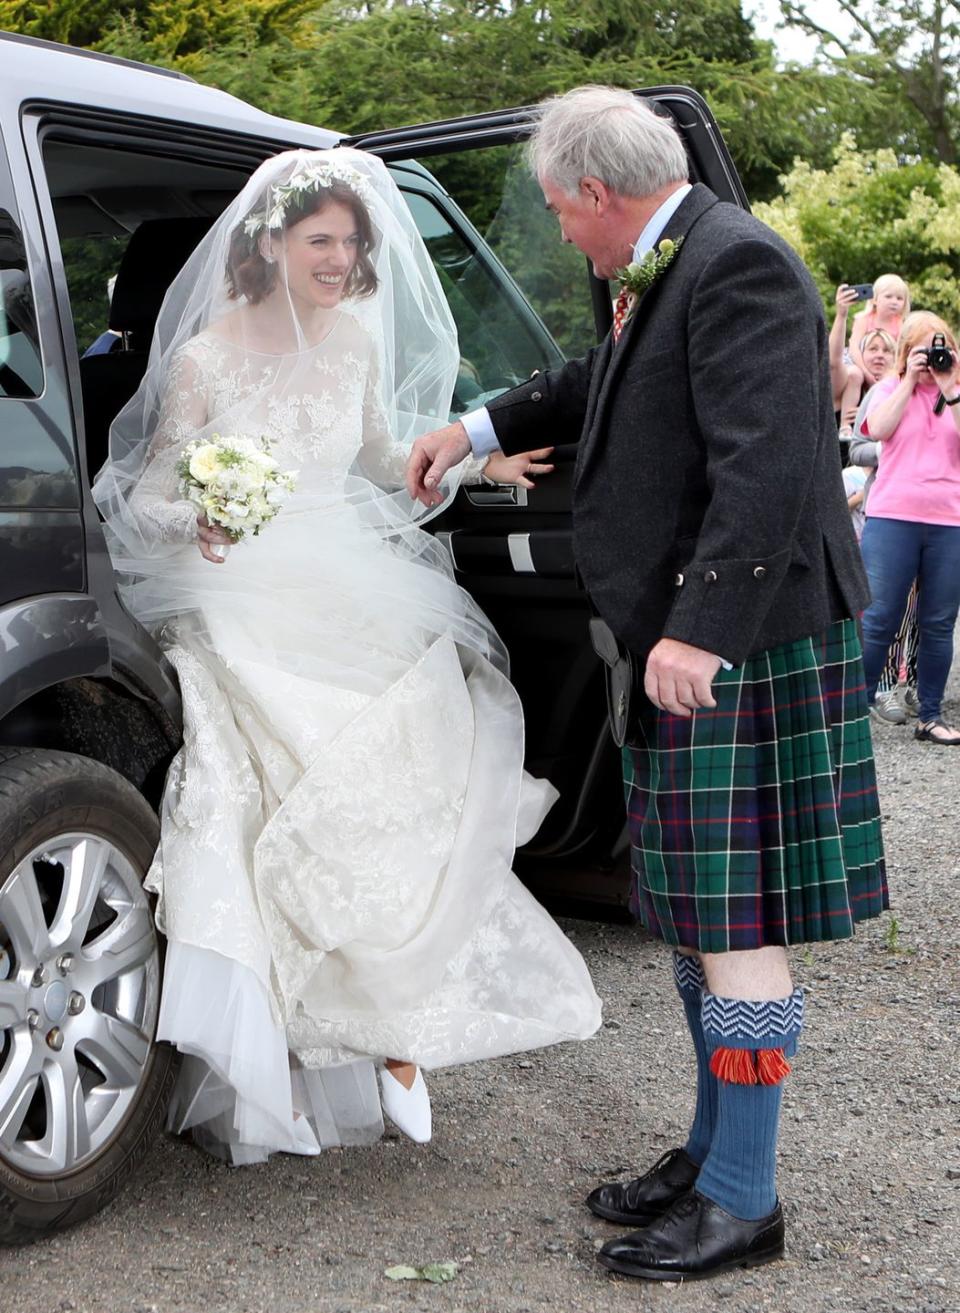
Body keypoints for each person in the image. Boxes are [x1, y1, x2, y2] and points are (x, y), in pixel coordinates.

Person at [407, 86, 887, 1284]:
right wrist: (472, 430)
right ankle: (716, 1147)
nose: (563, 232)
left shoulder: (742, 266)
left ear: (603, 194)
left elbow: (770, 467)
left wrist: (704, 629)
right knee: (692, 915)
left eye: (564, 212)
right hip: (696, 638)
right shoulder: (666, 265)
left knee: (740, 926)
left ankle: (744, 1198)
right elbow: (599, 382)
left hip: (745, 645)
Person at [92, 148, 601, 1164]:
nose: (338, 258)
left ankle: (389, 1027)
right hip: (237, 587)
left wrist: (468, 454)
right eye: (318, 239)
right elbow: (145, 489)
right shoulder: (203, 358)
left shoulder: (354, 344)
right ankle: (297, 1042)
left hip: (350, 578)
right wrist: (201, 506)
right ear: (269, 243)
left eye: (351, 242)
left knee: (413, 776)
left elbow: (373, 453)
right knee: (285, 783)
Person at [856, 310, 960, 745]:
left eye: (941, 348)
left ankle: (930, 715)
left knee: (938, 622)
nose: (933, 357)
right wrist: (907, 381)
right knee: (878, 618)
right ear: (907, 353)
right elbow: (877, 429)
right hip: (892, 516)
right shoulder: (885, 389)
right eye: (924, 349)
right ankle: (851, 713)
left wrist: (949, 386)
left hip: (949, 520)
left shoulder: (956, 394)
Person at [847, 273, 909, 376]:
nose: (894, 302)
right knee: (855, 375)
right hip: (861, 365)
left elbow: (901, 353)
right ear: (874, 299)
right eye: (888, 296)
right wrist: (866, 374)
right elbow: (854, 348)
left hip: (887, 367)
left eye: (899, 298)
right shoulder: (864, 320)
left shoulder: (900, 324)